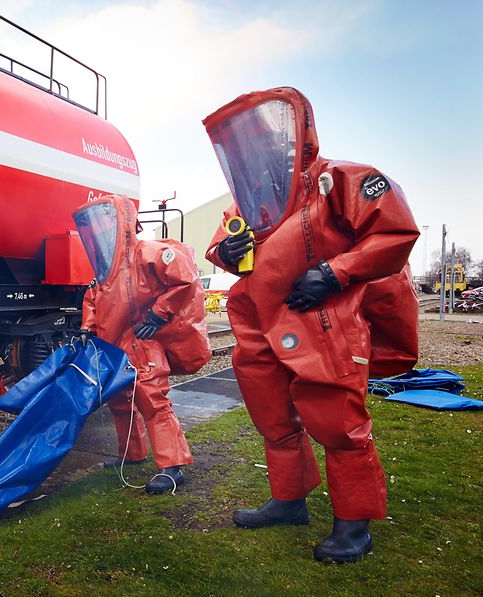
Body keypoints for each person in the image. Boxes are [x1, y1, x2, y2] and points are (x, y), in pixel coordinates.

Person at [202, 87, 419, 562]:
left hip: (324, 322)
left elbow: (395, 231)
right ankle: (288, 501)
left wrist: (335, 272)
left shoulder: (341, 179)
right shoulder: (249, 203)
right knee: (274, 419)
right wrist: (229, 252)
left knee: (339, 424)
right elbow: (224, 245)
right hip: (260, 325)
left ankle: (353, 526)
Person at [73, 194, 211, 494]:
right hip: (114, 347)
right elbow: (94, 300)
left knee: (153, 402)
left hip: (141, 344)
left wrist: (158, 314)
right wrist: (87, 328)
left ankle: (172, 467)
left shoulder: (148, 253)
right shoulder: (104, 269)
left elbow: (185, 279)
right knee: (120, 402)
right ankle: (132, 454)